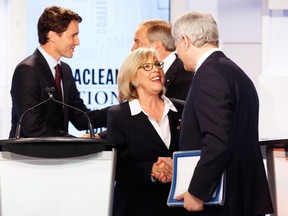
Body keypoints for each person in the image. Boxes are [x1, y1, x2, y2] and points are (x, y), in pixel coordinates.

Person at [166, 11, 273, 215]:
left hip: (223, 199)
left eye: (176, 45)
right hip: (240, 194)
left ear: (186, 41)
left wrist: (197, 192)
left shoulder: (209, 75)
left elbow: (217, 141)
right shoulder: (232, 70)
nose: (177, 54)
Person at [107, 47, 187, 216]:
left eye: (158, 64)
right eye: (147, 66)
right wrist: (151, 170)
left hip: (178, 206)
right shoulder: (119, 115)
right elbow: (118, 168)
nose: (157, 69)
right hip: (136, 207)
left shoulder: (182, 109)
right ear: (133, 78)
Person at [9, 6, 108, 138]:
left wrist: (121, 111)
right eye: (73, 36)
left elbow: (80, 117)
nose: (77, 42)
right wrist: (75, 142)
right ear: (52, 36)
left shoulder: (65, 70)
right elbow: (33, 128)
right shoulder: (27, 71)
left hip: (58, 156)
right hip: (28, 157)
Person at [131, 19, 193, 101]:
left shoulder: (188, 75)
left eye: (137, 42)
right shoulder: (138, 74)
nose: (132, 49)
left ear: (157, 45)